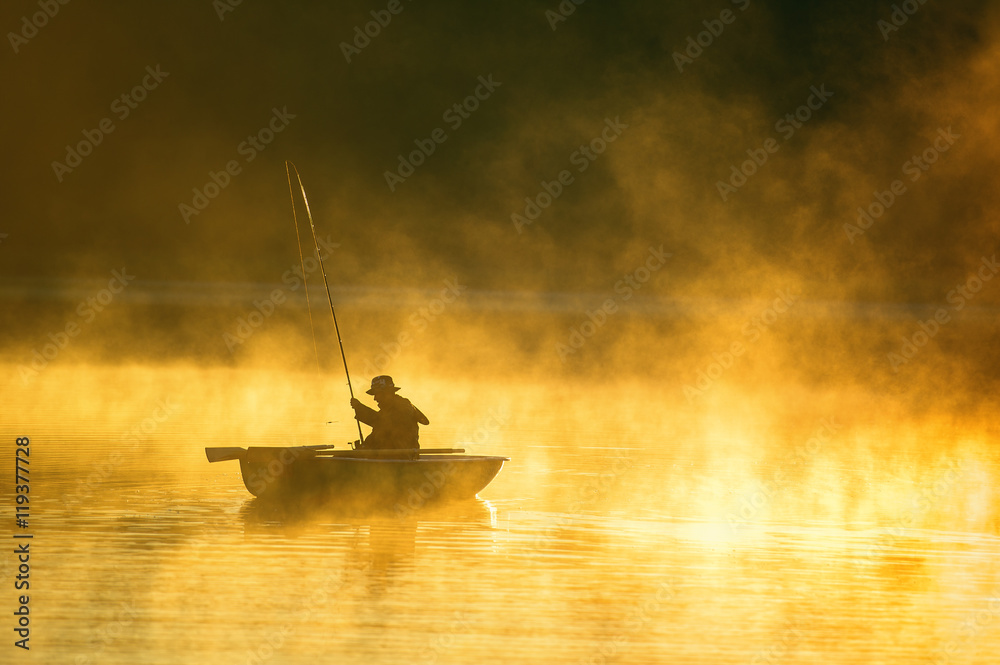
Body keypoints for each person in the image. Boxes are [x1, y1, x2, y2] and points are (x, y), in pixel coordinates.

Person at [350, 375, 429, 450]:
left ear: (386, 393)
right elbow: (378, 431)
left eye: (377, 394)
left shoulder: (404, 407)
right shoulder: (386, 410)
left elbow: (385, 423)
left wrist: (360, 408)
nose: (375, 398)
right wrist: (364, 447)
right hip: (387, 455)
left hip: (402, 455)